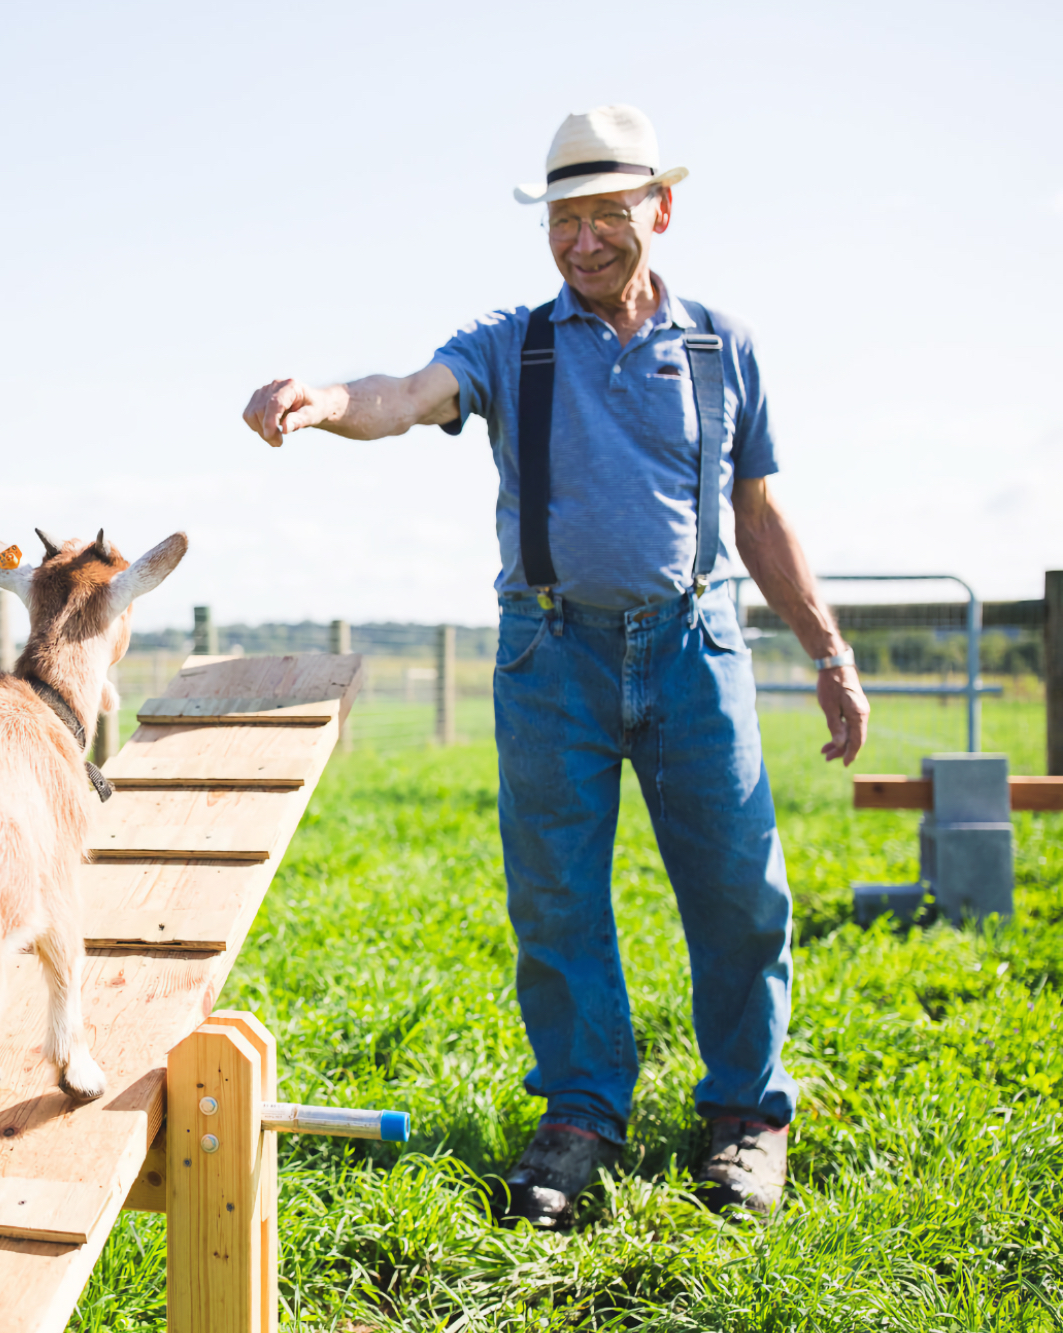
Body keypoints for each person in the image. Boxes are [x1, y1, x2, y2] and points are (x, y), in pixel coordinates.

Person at [241, 105, 869, 1227]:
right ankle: (580, 1112)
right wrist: (327, 401)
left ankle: (742, 1117)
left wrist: (826, 650)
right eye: (562, 218)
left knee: (736, 892)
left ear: (658, 211)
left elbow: (758, 512)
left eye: (606, 215)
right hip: (549, 652)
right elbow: (403, 396)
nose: (581, 239)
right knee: (556, 901)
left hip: (693, 646)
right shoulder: (508, 343)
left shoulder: (723, 347)